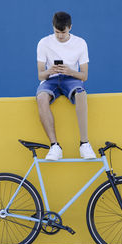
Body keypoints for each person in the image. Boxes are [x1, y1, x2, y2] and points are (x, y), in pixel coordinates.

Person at [36, 11, 96, 160]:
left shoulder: (80, 43)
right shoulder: (44, 43)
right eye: (57, 32)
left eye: (63, 32)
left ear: (70, 27)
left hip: (72, 78)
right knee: (41, 97)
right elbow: (40, 75)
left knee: (81, 93)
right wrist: (50, 71)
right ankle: (55, 146)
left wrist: (69, 71)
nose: (60, 36)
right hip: (51, 79)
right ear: (53, 27)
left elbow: (84, 76)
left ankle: (84, 144)